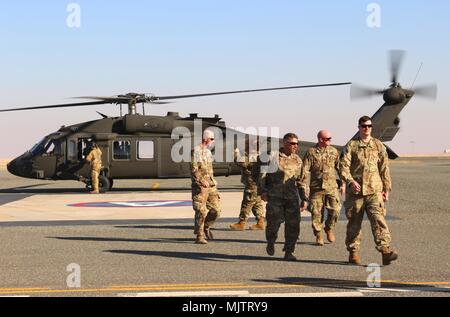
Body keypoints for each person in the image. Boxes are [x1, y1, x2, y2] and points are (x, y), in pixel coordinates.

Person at [340, 116, 398, 265]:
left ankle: (385, 252)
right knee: (354, 223)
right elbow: (343, 167)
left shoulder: (378, 145)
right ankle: (353, 252)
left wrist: (386, 189)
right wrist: (351, 181)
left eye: (369, 126)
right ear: (359, 127)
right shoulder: (351, 146)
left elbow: (384, 168)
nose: (366, 128)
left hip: (374, 191)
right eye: (363, 126)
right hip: (356, 193)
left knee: (378, 221)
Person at [259, 133, 307, 261]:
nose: (295, 146)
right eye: (292, 143)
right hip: (275, 197)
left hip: (292, 198)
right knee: (273, 225)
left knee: (293, 225)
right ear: (284, 143)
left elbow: (301, 181)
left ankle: (289, 251)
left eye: (296, 143)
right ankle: (270, 241)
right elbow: (262, 175)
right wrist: (263, 191)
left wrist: (304, 198)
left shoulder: (298, 160)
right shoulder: (272, 157)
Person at [303, 130, 344, 246]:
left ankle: (329, 228)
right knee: (316, 213)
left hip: (332, 187)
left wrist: (344, 184)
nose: (330, 141)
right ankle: (318, 234)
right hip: (316, 188)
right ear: (321, 139)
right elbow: (305, 171)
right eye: (328, 139)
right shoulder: (310, 152)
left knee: (335, 210)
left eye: (331, 138)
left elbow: (340, 168)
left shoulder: (334, 151)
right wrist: (304, 188)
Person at [190, 129, 222, 244]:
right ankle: (199, 236)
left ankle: (206, 226)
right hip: (200, 186)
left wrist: (211, 181)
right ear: (205, 139)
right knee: (201, 211)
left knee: (216, 210)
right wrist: (201, 180)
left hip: (211, 185)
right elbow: (194, 169)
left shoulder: (208, 153)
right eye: (211, 139)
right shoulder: (196, 151)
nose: (213, 141)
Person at [230, 140, 266, 231]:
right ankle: (260, 222)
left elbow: (242, 163)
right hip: (256, 184)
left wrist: (236, 154)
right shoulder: (259, 155)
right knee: (257, 203)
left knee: (247, 203)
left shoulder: (255, 157)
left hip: (252, 184)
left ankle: (241, 223)